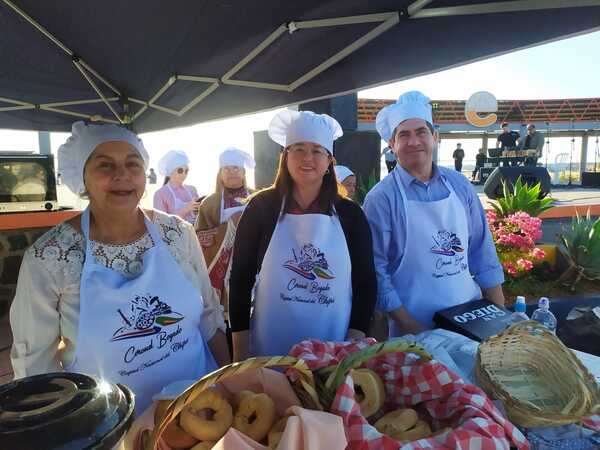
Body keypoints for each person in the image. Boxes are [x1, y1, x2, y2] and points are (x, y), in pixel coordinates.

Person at [9, 122, 229, 414]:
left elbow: (209, 316)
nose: (122, 175)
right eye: (105, 165)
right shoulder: (49, 258)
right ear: (81, 178)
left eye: (132, 164)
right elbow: (35, 366)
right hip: (113, 425)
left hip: (202, 408)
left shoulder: (178, 233)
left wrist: (231, 383)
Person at [229, 110, 377, 361]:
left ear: (330, 161)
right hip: (269, 349)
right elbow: (240, 279)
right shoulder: (261, 208)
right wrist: (240, 355)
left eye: (317, 150)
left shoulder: (351, 215)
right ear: (284, 157)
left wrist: (352, 347)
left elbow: (365, 283)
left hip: (333, 348)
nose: (307, 158)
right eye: (298, 148)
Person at [363, 91, 505, 337]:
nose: (414, 141)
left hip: (471, 317)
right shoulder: (381, 198)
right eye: (403, 135)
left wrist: (501, 316)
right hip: (415, 329)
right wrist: (411, 326)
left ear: (435, 137)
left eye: (421, 132)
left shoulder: (459, 185)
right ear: (392, 145)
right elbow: (377, 270)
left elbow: (482, 252)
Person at [195, 147, 255, 352]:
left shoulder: (257, 199)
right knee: (224, 320)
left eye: (236, 168)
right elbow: (198, 238)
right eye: (227, 168)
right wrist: (227, 227)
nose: (232, 172)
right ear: (219, 172)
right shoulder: (209, 203)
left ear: (244, 172)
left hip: (252, 265)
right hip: (220, 277)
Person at [153, 150, 200, 223]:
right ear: (170, 171)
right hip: (175, 233)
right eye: (180, 171)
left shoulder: (192, 189)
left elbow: (199, 215)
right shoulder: (160, 194)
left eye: (186, 171)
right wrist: (186, 209)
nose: (184, 174)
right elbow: (162, 223)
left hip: (195, 231)